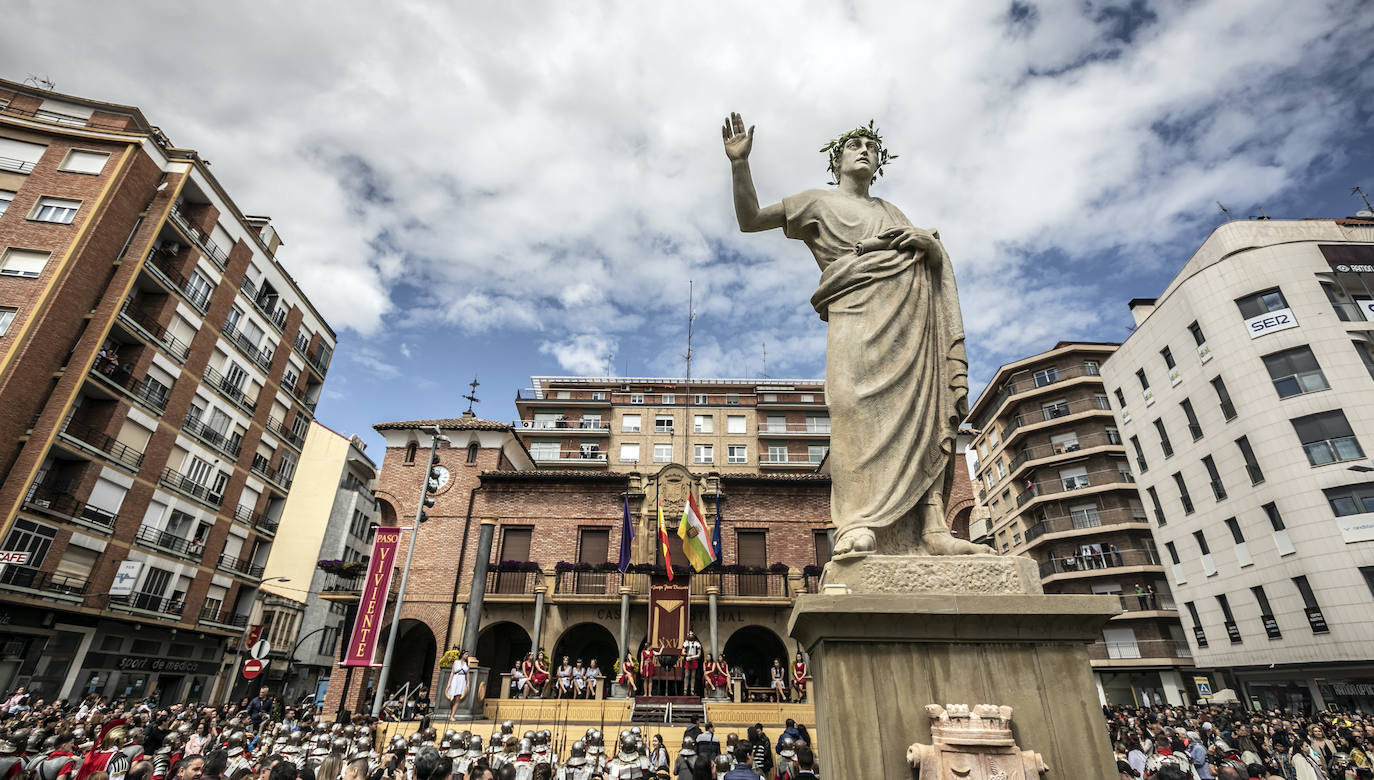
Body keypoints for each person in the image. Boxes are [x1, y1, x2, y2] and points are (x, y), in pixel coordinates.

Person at [722, 112, 988, 559]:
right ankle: (857, 522)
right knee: (852, 414)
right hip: (855, 314)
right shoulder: (817, 203)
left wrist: (928, 246)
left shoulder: (891, 211)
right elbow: (750, 219)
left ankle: (933, 528)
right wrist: (739, 164)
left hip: (909, 320)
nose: (864, 150)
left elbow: (925, 255)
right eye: (854, 145)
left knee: (920, 420)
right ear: (836, 161)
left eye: (872, 146)